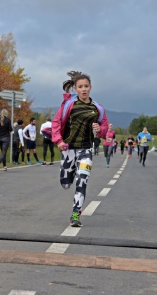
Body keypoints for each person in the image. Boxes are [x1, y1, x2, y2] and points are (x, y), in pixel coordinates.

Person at [52, 70, 108, 227]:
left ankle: (75, 214)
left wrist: (99, 130)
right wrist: (58, 142)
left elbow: (105, 130)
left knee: (82, 181)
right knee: (66, 182)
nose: (84, 89)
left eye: (86, 86)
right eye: (80, 86)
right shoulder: (69, 105)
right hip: (68, 149)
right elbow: (56, 124)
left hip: (85, 150)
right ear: (75, 89)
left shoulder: (97, 108)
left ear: (90, 87)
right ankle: (66, 175)